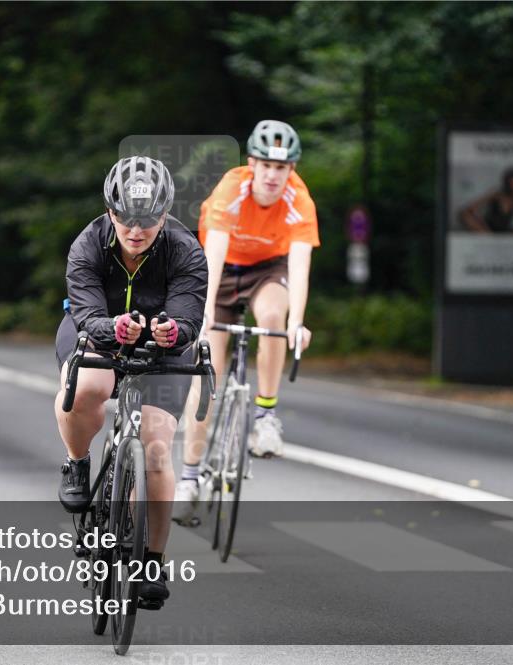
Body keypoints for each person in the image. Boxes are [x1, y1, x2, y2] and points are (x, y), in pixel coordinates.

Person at [54, 156, 207, 604]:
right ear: (110, 211)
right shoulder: (88, 244)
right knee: (88, 388)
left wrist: (173, 332)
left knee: (156, 447)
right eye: (125, 219)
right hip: (97, 332)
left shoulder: (185, 249)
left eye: (148, 220)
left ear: (165, 214)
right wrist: (112, 328)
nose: (136, 230)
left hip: (161, 346)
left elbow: (189, 316)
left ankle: (152, 561)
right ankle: (77, 461)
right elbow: (85, 315)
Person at [174, 120, 319, 524]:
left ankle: (266, 415)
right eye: (266, 165)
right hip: (222, 270)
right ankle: (189, 477)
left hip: (266, 271)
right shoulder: (231, 189)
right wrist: (203, 312)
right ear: (252, 164)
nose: (273, 175)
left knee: (273, 316)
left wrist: (297, 322)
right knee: (207, 379)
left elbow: (300, 266)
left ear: (291, 170)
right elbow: (214, 256)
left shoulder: (299, 200)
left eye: (282, 168)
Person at [458, 166, 513, 234]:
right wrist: (480, 220)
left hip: (505, 231)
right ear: (506, 183)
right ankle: (487, 236)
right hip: (488, 229)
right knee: (463, 214)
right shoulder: (496, 195)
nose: (512, 187)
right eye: (510, 184)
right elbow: (471, 207)